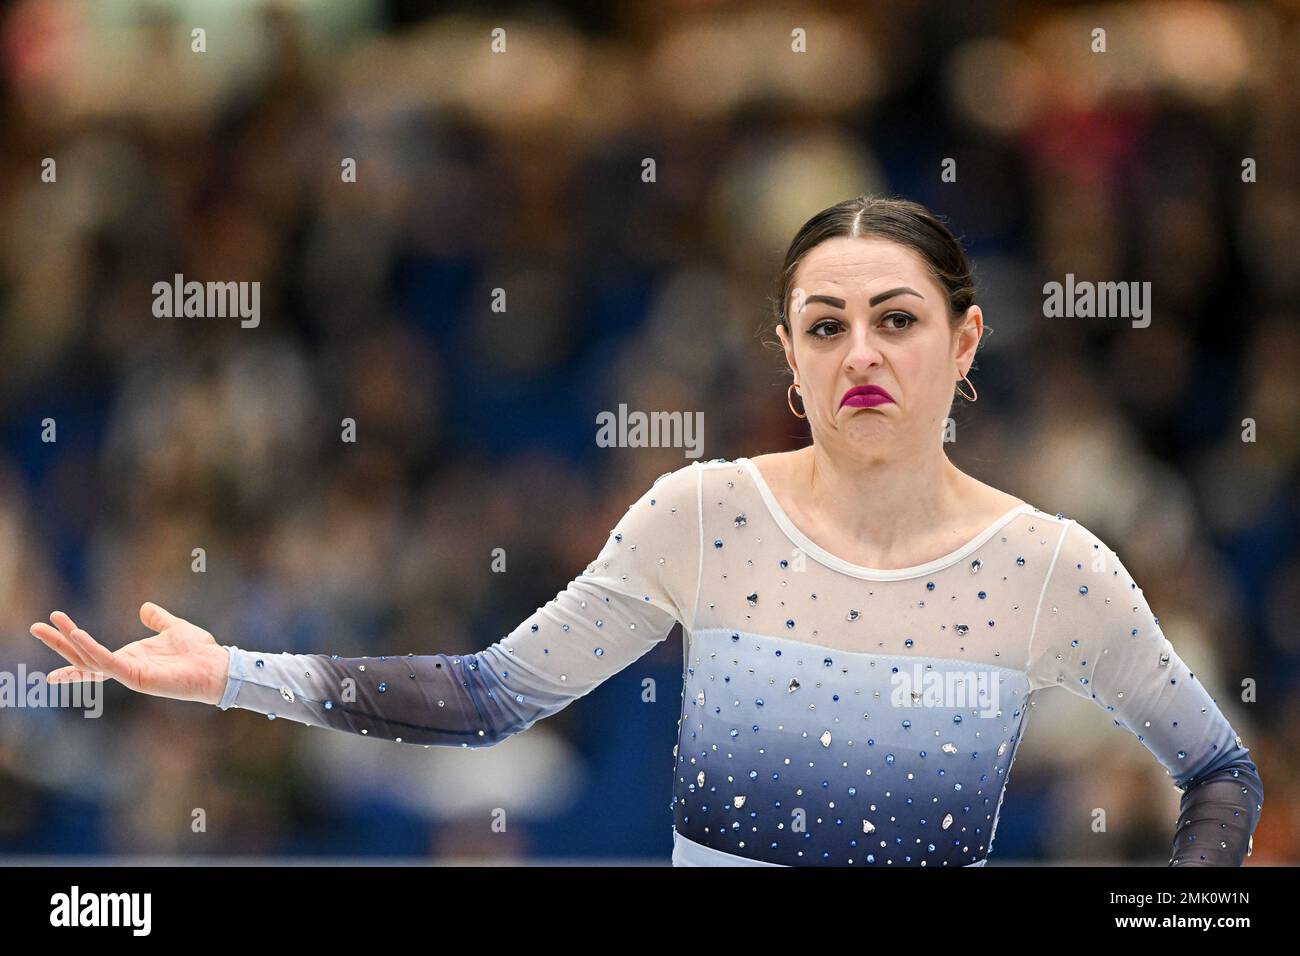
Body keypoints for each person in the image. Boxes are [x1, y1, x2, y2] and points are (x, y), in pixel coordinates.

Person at [30, 196, 1262, 867]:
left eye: (896, 318)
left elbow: (1220, 770)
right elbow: (487, 693)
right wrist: (237, 674)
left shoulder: (1048, 566)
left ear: (967, 339)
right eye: (824, 326)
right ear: (786, 354)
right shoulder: (705, 515)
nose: (863, 354)